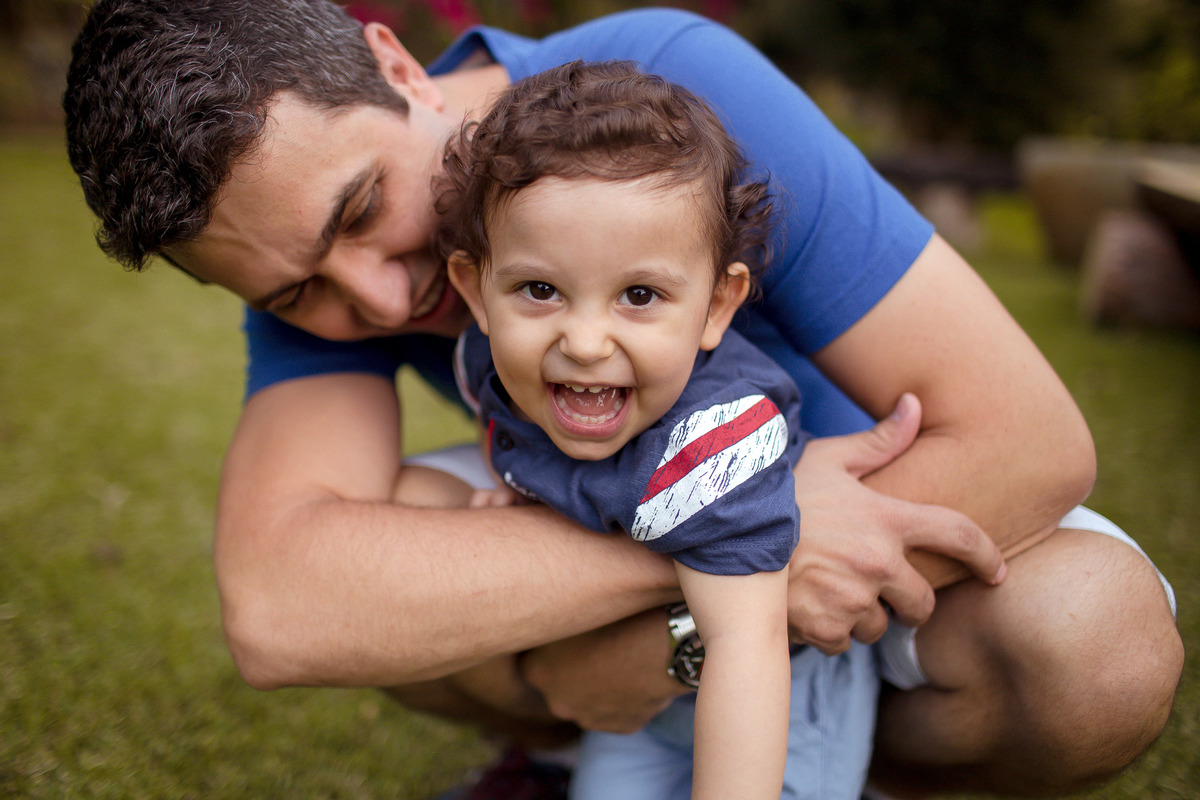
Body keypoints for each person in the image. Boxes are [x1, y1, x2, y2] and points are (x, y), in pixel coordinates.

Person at [62, 2, 1182, 799]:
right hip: (678, 515)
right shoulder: (302, 258)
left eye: (362, 210)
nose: (381, 291)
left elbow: (1030, 443)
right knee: (384, 557)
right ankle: (612, 738)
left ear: (399, 70)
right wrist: (718, 570)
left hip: (889, 516)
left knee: (1098, 642)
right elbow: (281, 607)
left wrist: (686, 617)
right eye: (295, 288)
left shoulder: (665, 93)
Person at [437, 59, 881, 800]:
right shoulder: (494, 363)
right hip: (645, 691)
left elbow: (748, 649)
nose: (583, 340)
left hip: (781, 690)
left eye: (638, 295)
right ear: (476, 292)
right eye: (540, 289)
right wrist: (518, 490)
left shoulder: (714, 448)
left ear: (715, 306)